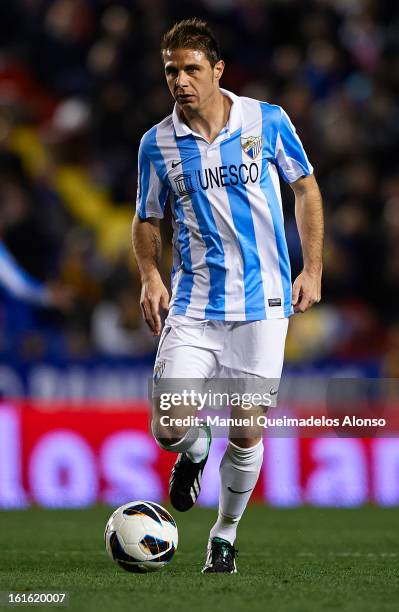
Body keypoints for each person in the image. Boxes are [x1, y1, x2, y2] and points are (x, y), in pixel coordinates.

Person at [132, 18, 323, 573]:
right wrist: (150, 275)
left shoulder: (267, 121)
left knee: (247, 429)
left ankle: (224, 534)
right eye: (172, 70)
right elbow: (147, 218)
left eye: (192, 68)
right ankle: (194, 447)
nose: (181, 80)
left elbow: (305, 188)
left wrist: (312, 268)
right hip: (193, 306)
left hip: (262, 306)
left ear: (218, 70)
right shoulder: (156, 143)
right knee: (168, 428)